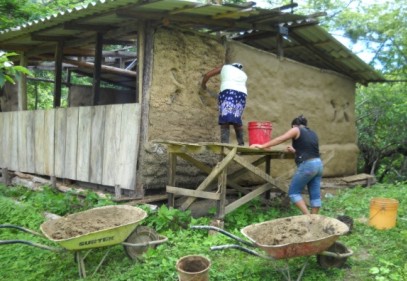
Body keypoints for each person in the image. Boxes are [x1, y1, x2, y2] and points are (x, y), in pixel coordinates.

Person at [250, 115, 323, 215]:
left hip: (308, 166)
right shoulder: (312, 133)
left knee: (294, 193)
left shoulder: (296, 129)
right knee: (315, 195)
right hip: (318, 164)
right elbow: (308, 149)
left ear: (294, 126)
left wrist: (263, 146)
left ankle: (308, 217)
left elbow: (281, 139)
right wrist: (295, 151)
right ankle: (314, 220)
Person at [201, 62, 247, 145]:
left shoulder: (225, 67)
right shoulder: (243, 74)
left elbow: (207, 75)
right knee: (236, 118)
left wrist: (203, 84)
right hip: (242, 95)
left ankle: (224, 144)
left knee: (225, 117)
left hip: (228, 92)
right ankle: (241, 144)